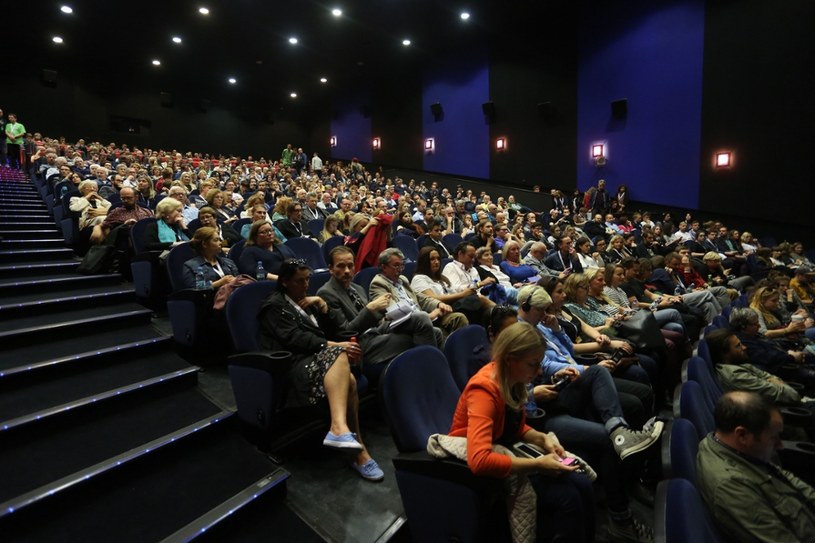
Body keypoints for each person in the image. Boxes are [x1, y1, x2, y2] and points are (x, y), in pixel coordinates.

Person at [448, 321, 596, 543]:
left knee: (582, 482)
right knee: (567, 497)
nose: (538, 372)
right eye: (532, 364)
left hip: (504, 448)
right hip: (475, 472)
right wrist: (538, 464)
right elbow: (479, 460)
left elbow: (514, 427)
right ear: (510, 360)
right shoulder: (483, 391)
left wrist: (542, 438)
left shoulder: (514, 380)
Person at [258, 259, 384, 481]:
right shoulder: (274, 305)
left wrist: (323, 308)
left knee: (351, 380)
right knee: (344, 364)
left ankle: (350, 441)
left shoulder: (306, 300)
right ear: (285, 282)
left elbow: (336, 330)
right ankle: (347, 438)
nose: (306, 285)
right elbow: (295, 338)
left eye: (307, 279)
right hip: (292, 365)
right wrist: (334, 346)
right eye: (299, 281)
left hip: (317, 359)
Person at [696, 391, 815, 543]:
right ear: (742, 435)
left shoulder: (724, 443)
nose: (780, 445)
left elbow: (782, 476)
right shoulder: (733, 488)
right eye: (774, 437)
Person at [317, 246, 429, 365]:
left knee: (427, 324)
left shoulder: (357, 288)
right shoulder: (327, 293)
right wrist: (370, 309)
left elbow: (374, 321)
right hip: (358, 345)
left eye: (350, 266)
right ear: (330, 269)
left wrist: (386, 316)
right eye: (341, 266)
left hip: (376, 332)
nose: (347, 271)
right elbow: (345, 333)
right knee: (411, 338)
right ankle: (427, 370)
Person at [370, 248, 466, 341]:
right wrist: (429, 316)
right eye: (396, 266)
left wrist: (438, 304)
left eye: (402, 265)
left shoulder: (402, 279)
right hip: (403, 324)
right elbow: (396, 312)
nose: (400, 269)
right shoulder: (378, 284)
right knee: (436, 331)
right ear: (384, 267)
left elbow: (419, 297)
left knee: (458, 318)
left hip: (421, 317)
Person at [706, 329, 803, 406]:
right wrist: (774, 381)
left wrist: (773, 380)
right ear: (724, 354)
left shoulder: (737, 363)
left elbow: (766, 376)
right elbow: (791, 396)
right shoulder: (735, 375)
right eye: (738, 346)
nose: (744, 347)